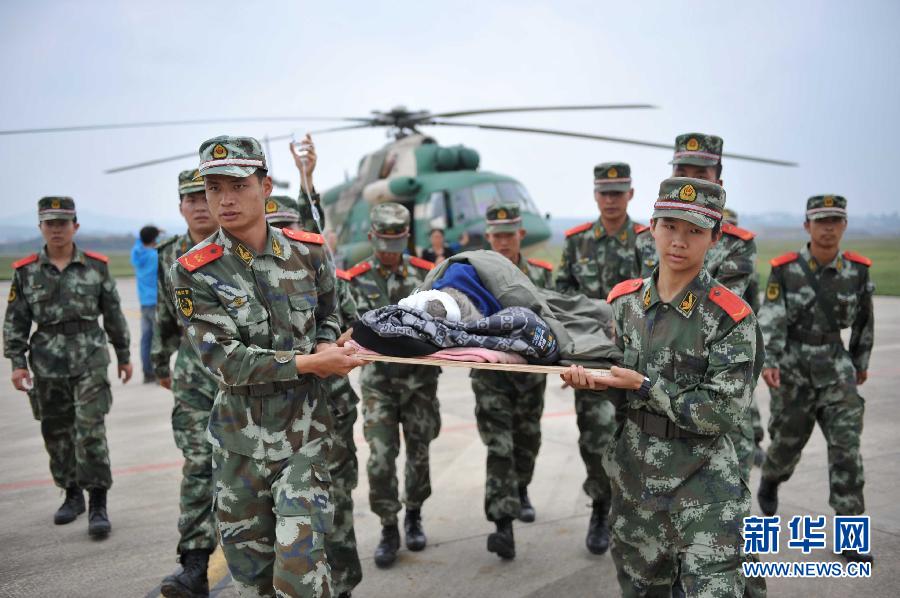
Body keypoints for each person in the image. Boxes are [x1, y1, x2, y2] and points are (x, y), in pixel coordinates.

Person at [170, 136, 365, 597]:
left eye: (238, 185)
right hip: (239, 444)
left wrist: (326, 343)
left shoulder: (308, 252)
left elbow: (330, 312)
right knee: (254, 578)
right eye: (214, 188)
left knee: (300, 569)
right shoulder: (194, 271)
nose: (225, 199)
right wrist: (313, 362)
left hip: (305, 435)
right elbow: (225, 361)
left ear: (265, 186)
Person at [563, 177, 763, 596]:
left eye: (694, 231)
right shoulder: (625, 303)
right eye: (670, 226)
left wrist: (645, 386)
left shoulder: (730, 316)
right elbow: (619, 384)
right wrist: (593, 382)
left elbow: (722, 411)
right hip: (636, 480)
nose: (679, 241)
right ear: (651, 227)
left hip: (704, 483)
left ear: (715, 238)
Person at [634, 134, 762, 482]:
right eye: (682, 173)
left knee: (727, 480)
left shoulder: (736, 244)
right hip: (652, 386)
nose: (690, 182)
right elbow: (638, 304)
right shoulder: (649, 236)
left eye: (700, 175)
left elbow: (715, 313)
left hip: (710, 372)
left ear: (718, 182)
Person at [3, 196, 132, 539]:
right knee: (56, 432)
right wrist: (17, 364)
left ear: (75, 226)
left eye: (63, 223)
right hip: (47, 363)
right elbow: (15, 322)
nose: (57, 229)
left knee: (90, 431)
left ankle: (98, 502)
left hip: (90, 358)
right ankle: (72, 494)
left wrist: (123, 354)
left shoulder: (96, 267)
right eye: (50, 223)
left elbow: (113, 313)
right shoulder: (26, 271)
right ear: (40, 227)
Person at [267, 148, 364, 598]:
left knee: (335, 504)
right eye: (273, 227)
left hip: (329, 410)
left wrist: (337, 344)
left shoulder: (322, 273)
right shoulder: (245, 283)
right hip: (272, 418)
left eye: (288, 226)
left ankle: (342, 586)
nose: (282, 236)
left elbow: (352, 323)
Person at [757, 194, 874, 564]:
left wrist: (860, 360)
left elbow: (864, 319)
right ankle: (771, 478)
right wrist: (771, 359)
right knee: (786, 446)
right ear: (807, 226)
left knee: (847, 451)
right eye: (821, 221)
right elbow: (771, 316)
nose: (828, 228)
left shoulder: (857, 270)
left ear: (844, 225)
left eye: (835, 221)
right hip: (793, 370)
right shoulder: (786, 269)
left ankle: (850, 536)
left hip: (837, 369)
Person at [344, 202, 440, 569]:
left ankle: (413, 513)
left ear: (406, 237)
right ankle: (388, 525)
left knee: (419, 453)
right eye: (383, 242)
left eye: (396, 242)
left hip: (420, 384)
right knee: (381, 458)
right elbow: (344, 327)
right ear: (372, 237)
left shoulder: (427, 276)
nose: (389, 250)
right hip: (378, 385)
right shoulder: (354, 280)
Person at [555, 162, 644, 555]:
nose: (611, 199)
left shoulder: (646, 240)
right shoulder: (577, 243)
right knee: (594, 439)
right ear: (595, 195)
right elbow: (560, 297)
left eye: (618, 192)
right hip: (591, 358)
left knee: (639, 440)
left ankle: (636, 515)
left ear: (630, 194)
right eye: (605, 193)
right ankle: (600, 507)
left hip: (638, 358)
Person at [152, 170, 220, 597]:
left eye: (203, 196)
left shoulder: (240, 245)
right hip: (193, 374)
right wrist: (160, 360)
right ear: (180, 206)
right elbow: (165, 310)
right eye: (190, 199)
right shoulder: (168, 255)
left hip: (243, 371)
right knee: (197, 464)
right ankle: (194, 564)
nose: (198, 205)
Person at [471, 202, 552, 560]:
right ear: (488, 237)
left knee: (527, 442)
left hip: (530, 376)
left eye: (509, 234)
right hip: (491, 377)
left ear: (520, 234)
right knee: (499, 446)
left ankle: (520, 490)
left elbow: (555, 321)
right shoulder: (474, 275)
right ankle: (503, 524)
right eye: (497, 235)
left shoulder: (541, 275)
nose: (503, 241)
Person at [132, 224, 160, 384]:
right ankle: (159, 372)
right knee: (158, 339)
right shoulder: (154, 256)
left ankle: (147, 373)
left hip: (144, 302)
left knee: (146, 339)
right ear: (154, 239)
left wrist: (149, 234)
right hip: (156, 301)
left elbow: (140, 242)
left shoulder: (137, 253)